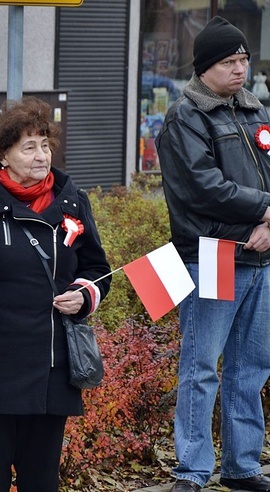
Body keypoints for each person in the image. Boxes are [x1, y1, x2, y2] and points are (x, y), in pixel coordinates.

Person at [0, 96, 111, 492]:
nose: (41, 155)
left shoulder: (72, 200)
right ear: (3, 155)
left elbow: (97, 268)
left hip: (51, 367)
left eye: (45, 144)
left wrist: (83, 294)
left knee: (41, 481)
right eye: (29, 147)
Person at [156, 16, 270, 492]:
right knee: (202, 367)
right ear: (205, 68)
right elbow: (204, 189)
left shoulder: (255, 111)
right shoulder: (185, 116)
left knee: (252, 366)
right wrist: (265, 211)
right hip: (212, 255)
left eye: (244, 59)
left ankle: (243, 466)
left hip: (262, 257)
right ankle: (194, 469)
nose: (240, 69)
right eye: (229, 61)